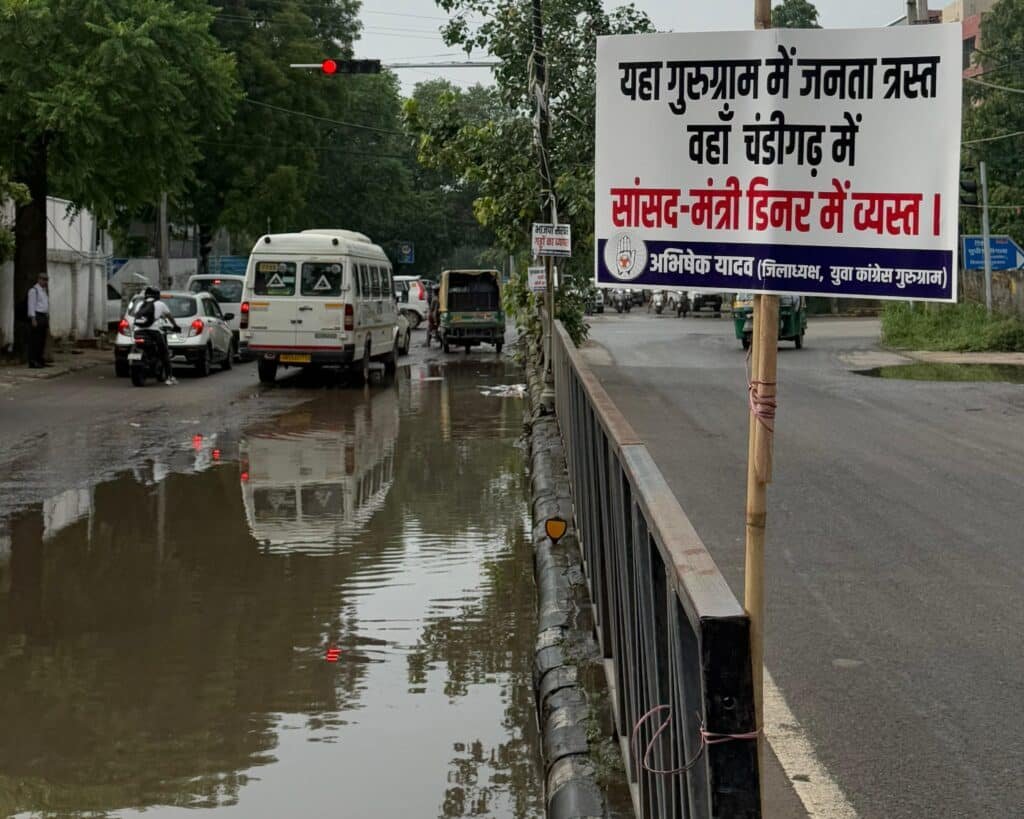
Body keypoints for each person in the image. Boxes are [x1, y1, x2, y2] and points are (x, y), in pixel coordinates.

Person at [134, 287, 181, 384]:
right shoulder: (160, 304)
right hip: (153, 332)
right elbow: (169, 316)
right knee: (164, 354)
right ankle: (170, 377)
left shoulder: (139, 304)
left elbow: (136, 316)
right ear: (157, 295)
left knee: (136, 346)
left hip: (138, 331)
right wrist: (175, 326)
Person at [26, 272, 50, 368]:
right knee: (35, 340)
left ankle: (40, 359)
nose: (45, 281)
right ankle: (33, 361)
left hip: (43, 316)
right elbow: (31, 305)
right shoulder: (33, 290)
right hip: (37, 316)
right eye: (43, 279)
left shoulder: (44, 291)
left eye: (46, 280)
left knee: (42, 340)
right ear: (38, 279)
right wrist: (33, 318)